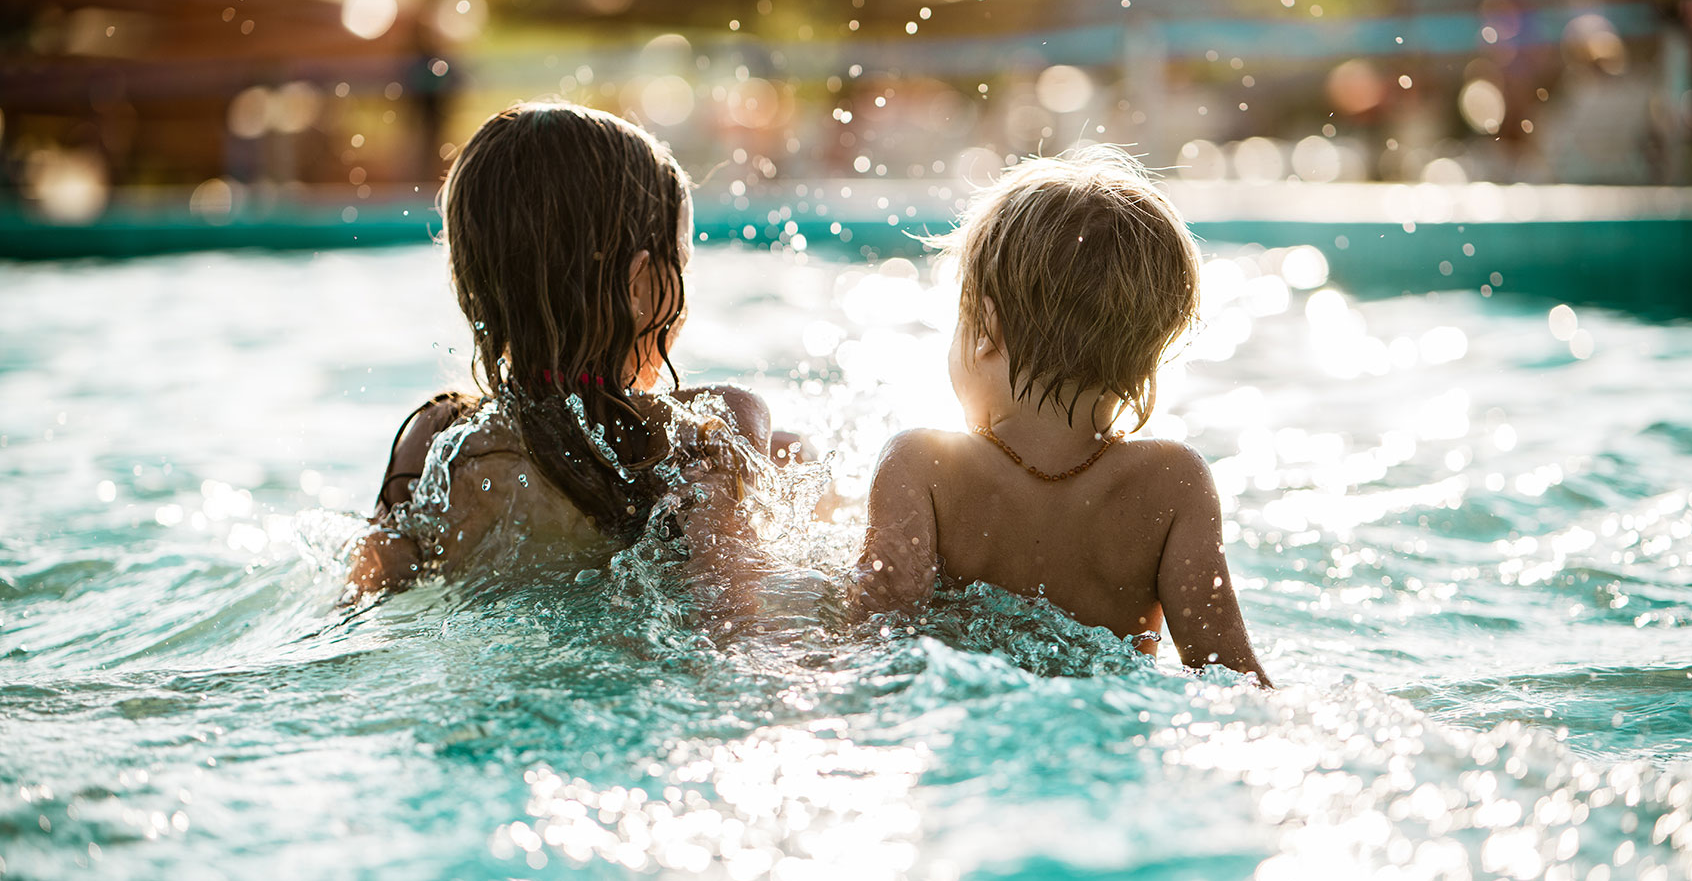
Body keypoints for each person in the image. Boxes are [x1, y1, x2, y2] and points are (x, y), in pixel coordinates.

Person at [852, 146, 1272, 687]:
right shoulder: (1174, 483)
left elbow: (873, 644)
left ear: (985, 328)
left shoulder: (923, 465)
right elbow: (1230, 674)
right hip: (1113, 731)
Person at [347, 102, 778, 596]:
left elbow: (365, 595)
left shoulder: (436, 439)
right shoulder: (709, 424)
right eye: (682, 264)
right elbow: (732, 614)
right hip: (637, 659)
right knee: (799, 452)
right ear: (638, 287)